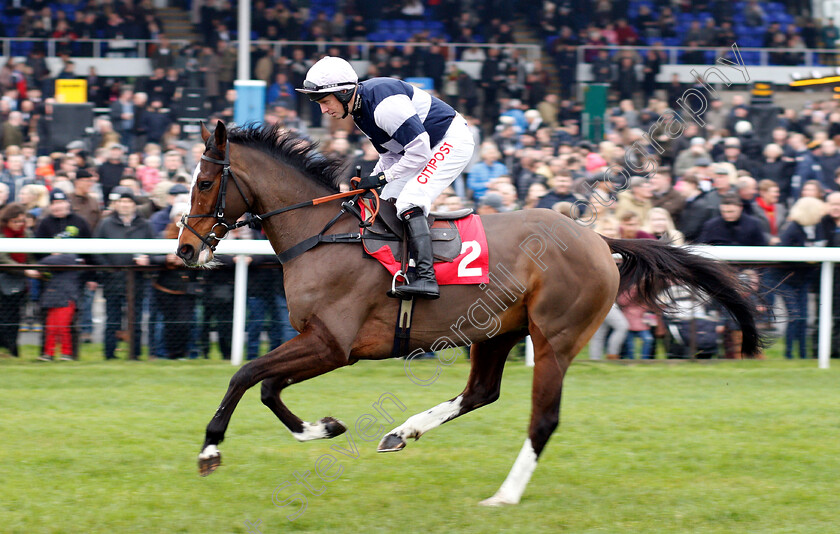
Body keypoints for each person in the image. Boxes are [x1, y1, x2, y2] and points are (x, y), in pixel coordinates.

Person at [296, 56, 476, 299]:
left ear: (345, 92)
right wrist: (373, 181)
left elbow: (419, 152)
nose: (323, 110)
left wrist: (382, 178)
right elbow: (392, 155)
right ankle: (397, 267)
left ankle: (426, 277)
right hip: (422, 147)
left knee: (410, 200)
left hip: (450, 141)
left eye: (325, 101)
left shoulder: (384, 107)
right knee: (381, 201)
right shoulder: (360, 111)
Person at [93, 186, 155, 360]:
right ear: (116, 204)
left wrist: (146, 258)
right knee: (112, 318)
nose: (125, 205)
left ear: (134, 205)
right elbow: (96, 250)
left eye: (128, 202)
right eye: (121, 202)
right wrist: (109, 269)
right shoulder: (105, 224)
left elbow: (153, 248)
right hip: (113, 280)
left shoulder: (145, 225)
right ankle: (109, 354)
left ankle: (134, 354)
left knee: (135, 319)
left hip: (137, 279)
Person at [0, 203, 38, 358]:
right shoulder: (2, 234)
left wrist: (36, 268)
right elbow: (3, 259)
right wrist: (25, 270)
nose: (19, 225)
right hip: (4, 280)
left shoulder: (27, 234)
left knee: (15, 317)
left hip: (19, 283)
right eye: (15, 221)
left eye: (22, 221)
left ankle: (12, 349)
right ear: (7, 221)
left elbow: (31, 256)